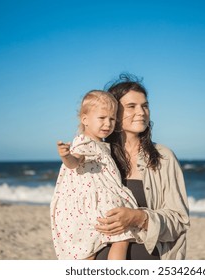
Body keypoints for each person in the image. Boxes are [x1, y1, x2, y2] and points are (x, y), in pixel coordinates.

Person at [94, 74, 190, 260]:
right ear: (114, 112)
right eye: (131, 106)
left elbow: (180, 221)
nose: (141, 112)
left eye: (145, 106)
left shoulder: (164, 157)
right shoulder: (96, 157)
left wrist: (138, 217)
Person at [50, 90, 143, 260]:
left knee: (90, 251)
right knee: (121, 238)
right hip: (94, 203)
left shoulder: (103, 145)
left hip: (96, 202)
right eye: (102, 118)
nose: (108, 123)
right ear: (85, 119)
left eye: (112, 119)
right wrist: (66, 156)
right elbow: (75, 162)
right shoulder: (84, 143)